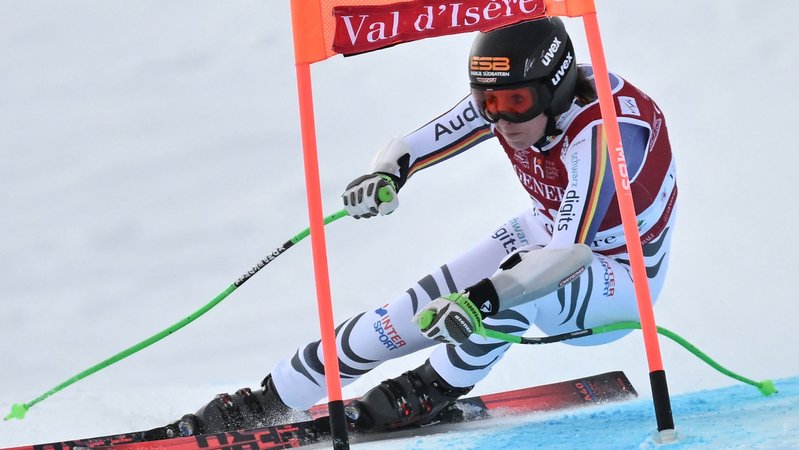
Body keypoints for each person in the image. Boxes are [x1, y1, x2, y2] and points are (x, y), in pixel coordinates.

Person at [167, 16, 677, 436]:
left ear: (556, 86)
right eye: (487, 104)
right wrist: (384, 176)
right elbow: (412, 145)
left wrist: (481, 299)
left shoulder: (607, 132)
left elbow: (568, 255)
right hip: (548, 230)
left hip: (617, 273)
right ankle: (273, 398)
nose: (500, 121)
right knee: (406, 313)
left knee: (507, 287)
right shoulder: (512, 94)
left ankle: (432, 388)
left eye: (515, 104)